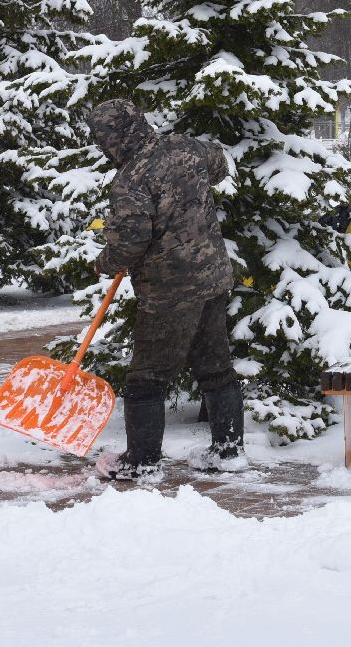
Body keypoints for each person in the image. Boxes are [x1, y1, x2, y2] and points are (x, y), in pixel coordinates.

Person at [87, 99, 246, 481]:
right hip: (211, 278)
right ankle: (227, 451)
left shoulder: (131, 179)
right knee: (215, 368)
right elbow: (220, 165)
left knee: (147, 379)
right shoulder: (184, 147)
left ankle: (141, 463)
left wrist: (104, 261)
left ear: (116, 137)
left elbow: (130, 243)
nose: (103, 147)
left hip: (169, 293)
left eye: (104, 139)